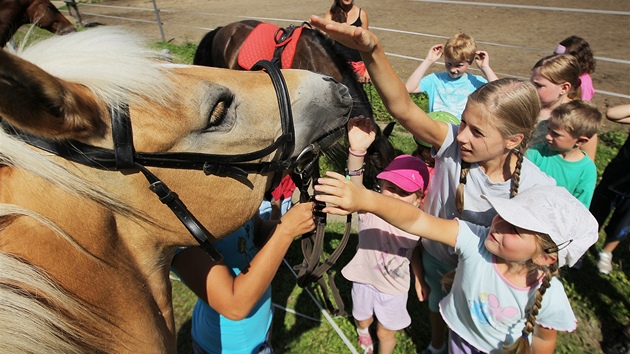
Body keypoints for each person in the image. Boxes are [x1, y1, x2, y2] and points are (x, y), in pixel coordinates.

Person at [309, 15, 556, 354]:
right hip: (436, 256)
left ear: (513, 140)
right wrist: (373, 51)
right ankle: (437, 346)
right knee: (439, 311)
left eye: (476, 131)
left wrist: (364, 198)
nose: (460, 136)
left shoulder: (533, 188)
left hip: (481, 273)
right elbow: (404, 109)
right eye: (463, 123)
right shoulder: (456, 142)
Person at [316, 178, 598, 353]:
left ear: (545, 258)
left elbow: (544, 342)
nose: (497, 224)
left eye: (515, 227)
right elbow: (418, 221)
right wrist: (367, 199)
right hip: (458, 339)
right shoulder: (476, 239)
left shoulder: (549, 296)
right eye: (503, 214)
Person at [171, 202, 315, 354]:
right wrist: (286, 230)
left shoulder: (229, 195)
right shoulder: (179, 230)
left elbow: (256, 230)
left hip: (259, 331)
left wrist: (298, 223)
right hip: (228, 347)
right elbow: (235, 306)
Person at [343, 116, 430, 354]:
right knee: (362, 318)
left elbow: (415, 252)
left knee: (385, 332)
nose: (393, 196)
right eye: (391, 187)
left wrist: (420, 278)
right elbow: (356, 187)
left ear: (419, 199)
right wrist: (358, 151)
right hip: (363, 278)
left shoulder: (419, 222)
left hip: (394, 287)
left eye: (404, 192)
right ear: (380, 186)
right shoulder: (370, 208)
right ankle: (363, 334)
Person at [525, 100, 602, 207]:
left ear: (580, 141)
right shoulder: (536, 153)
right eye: (549, 129)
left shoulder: (587, 170)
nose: (547, 136)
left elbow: (580, 207)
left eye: (556, 134)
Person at [404, 33, 498, 119]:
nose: (453, 69)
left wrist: (485, 67)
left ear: (469, 63)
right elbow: (409, 88)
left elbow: (499, 95)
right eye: (449, 63)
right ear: (445, 58)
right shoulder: (435, 79)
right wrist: (428, 60)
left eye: (458, 65)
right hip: (436, 131)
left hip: (460, 134)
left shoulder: (476, 82)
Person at [530, 53, 598, 162]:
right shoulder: (530, 106)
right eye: (531, 83)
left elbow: (586, 164)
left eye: (538, 85)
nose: (531, 89)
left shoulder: (578, 118)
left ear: (564, 87)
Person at [589, 104, 630, 275]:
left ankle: (607, 252)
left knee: (623, 224)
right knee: (595, 212)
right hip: (616, 177)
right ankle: (583, 245)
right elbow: (612, 114)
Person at [325, 0, 371, 83]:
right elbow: (321, 37)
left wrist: (368, 70)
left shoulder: (362, 14)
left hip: (359, 68)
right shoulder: (331, 14)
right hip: (339, 67)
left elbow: (366, 44)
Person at [554, 36, 596, 101]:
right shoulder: (564, 74)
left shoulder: (584, 84)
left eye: (561, 57)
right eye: (554, 55)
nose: (554, 60)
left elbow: (582, 107)